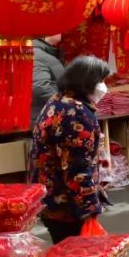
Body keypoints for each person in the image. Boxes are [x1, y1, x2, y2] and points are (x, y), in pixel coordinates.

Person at [28, 55, 112, 244]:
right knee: (75, 254)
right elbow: (77, 168)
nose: (103, 86)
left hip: (50, 197)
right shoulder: (76, 114)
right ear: (86, 82)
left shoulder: (58, 101)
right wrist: (89, 208)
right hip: (66, 204)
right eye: (100, 81)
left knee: (64, 250)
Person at [31, 34, 64, 125]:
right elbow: (40, 86)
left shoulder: (46, 53)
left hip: (46, 113)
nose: (60, 32)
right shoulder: (37, 53)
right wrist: (63, 103)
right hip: (40, 115)